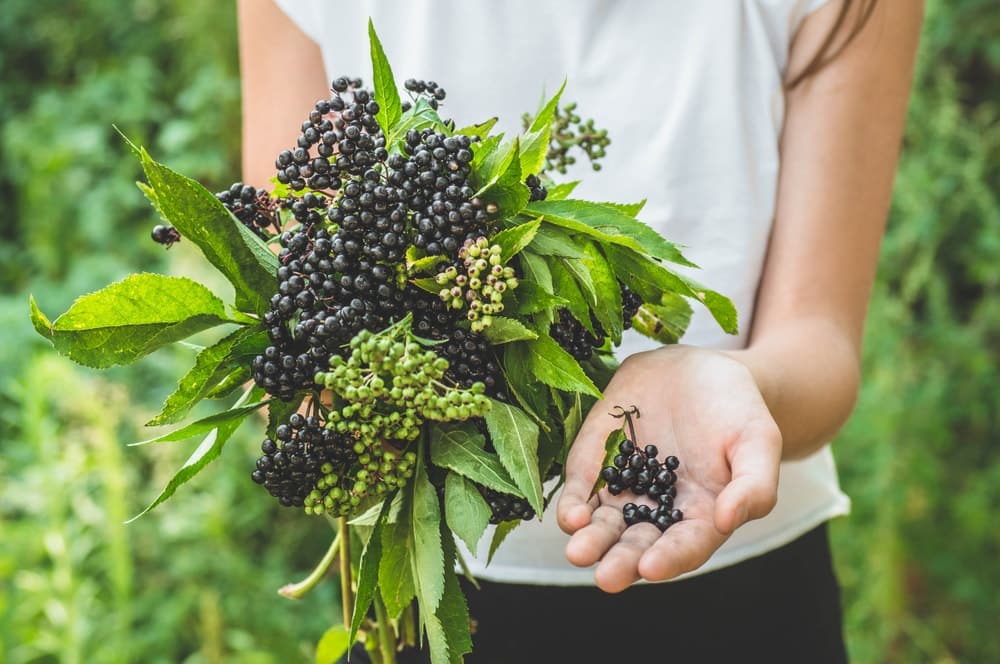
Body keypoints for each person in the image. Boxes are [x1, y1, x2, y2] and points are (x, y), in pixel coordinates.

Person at [238, 1, 922, 661]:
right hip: (438, 594)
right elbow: (293, 286)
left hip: (739, 578)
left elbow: (820, 344)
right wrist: (337, 396)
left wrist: (739, 385)